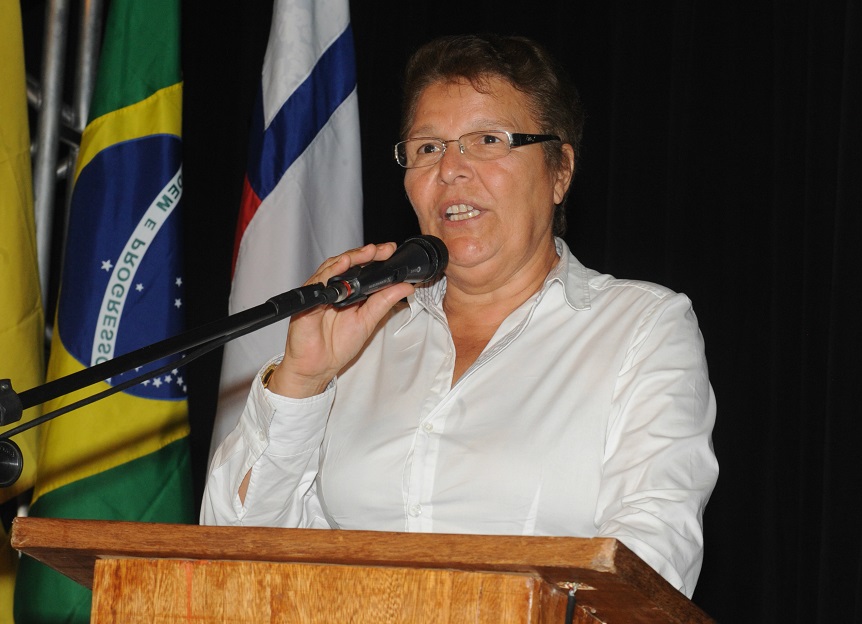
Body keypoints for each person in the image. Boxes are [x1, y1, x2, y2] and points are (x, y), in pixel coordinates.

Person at [202, 33, 718, 598]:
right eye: (427, 147)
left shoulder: (641, 327)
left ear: (560, 171)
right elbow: (235, 557)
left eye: (488, 140)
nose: (450, 169)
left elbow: (649, 566)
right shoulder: (356, 336)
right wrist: (301, 382)